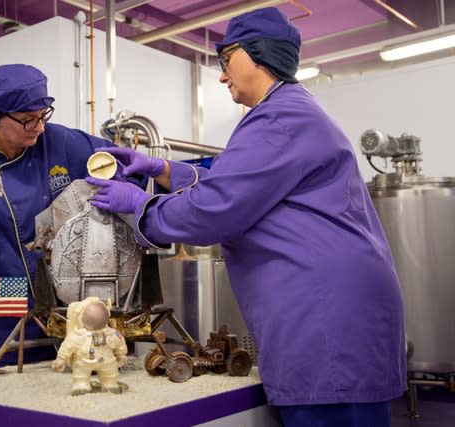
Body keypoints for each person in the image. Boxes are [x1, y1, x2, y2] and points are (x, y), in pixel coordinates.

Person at [85, 7, 406, 427]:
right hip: (332, 309)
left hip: (323, 317)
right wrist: (161, 170)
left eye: (226, 59)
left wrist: (139, 207)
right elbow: (235, 179)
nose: (221, 75)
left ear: (260, 53)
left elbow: (214, 209)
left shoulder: (279, 119)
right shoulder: (291, 112)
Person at [0, 64, 117, 369]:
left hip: (67, 298)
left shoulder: (60, 142)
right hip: (5, 298)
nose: (39, 127)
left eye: (44, 115)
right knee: (10, 391)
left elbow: (115, 160)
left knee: (77, 384)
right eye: (28, 120)